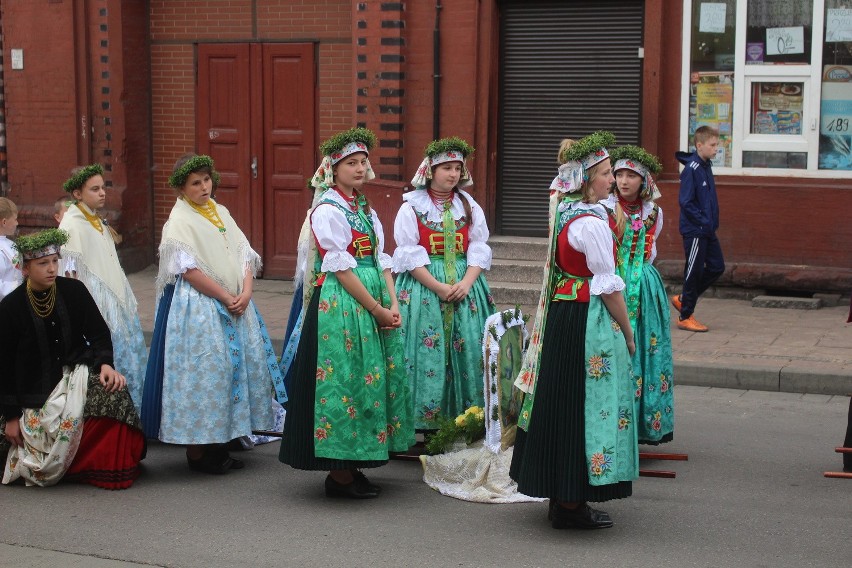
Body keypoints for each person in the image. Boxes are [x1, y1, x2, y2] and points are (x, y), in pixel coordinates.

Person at [509, 131, 638, 530]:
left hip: (565, 318)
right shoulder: (590, 222)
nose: (610, 180)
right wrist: (628, 331)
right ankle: (570, 504)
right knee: (583, 404)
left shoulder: (565, 211)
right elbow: (607, 284)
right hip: (587, 320)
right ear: (584, 178)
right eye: (603, 174)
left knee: (563, 402)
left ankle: (562, 496)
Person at [279, 127, 415, 498]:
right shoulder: (327, 209)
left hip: (371, 298)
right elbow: (339, 267)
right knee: (344, 382)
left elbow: (381, 259)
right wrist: (374, 307)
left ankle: (355, 462)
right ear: (333, 169)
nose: (359, 168)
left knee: (366, 380)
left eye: (362, 162)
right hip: (343, 304)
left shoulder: (363, 207)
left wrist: (392, 302)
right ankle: (339, 473)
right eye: (350, 163)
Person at [141, 154, 283, 474]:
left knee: (233, 372)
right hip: (202, 306)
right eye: (195, 183)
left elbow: (243, 252)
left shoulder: (221, 212)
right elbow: (187, 270)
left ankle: (224, 439)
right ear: (181, 189)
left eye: (206, 179)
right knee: (207, 374)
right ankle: (199, 451)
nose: (203, 186)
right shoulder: (179, 222)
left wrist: (246, 291)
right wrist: (224, 295)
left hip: (235, 302)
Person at [0, 228, 145, 489]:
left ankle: (93, 467)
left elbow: (99, 333)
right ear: (25, 269)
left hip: (75, 373)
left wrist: (105, 364)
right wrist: (11, 416)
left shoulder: (74, 290)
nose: (51, 268)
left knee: (115, 397)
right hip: (30, 389)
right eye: (43, 263)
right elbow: (4, 365)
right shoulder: (10, 307)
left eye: (55, 261)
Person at [392, 137, 495, 430]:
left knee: (468, 350)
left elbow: (479, 245)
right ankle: (424, 423)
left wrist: (466, 282)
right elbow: (408, 253)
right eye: (446, 168)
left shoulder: (469, 205)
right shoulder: (411, 207)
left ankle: (466, 421)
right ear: (430, 170)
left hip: (466, 288)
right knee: (425, 352)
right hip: (424, 288)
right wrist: (437, 287)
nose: (453, 174)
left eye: (457, 168)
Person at [59, 165, 147, 413]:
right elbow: (71, 275)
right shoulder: (72, 225)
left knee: (126, 351)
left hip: (114, 297)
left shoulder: (95, 220)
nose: (102, 193)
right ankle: (111, 413)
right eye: (94, 189)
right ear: (77, 194)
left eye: (103, 187)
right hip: (95, 299)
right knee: (107, 352)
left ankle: (133, 411)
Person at [602, 145, 674, 445]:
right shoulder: (604, 208)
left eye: (631, 175)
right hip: (613, 284)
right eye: (619, 173)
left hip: (644, 288)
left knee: (648, 349)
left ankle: (644, 426)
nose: (624, 180)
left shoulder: (654, 212)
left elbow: (651, 248)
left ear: (644, 180)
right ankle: (612, 425)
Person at [671, 125, 724, 332]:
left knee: (717, 266)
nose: (716, 148)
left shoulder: (705, 165)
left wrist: (710, 223)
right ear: (699, 145)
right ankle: (685, 316)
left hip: (707, 229)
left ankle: (684, 299)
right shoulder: (691, 169)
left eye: (717, 144)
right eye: (712, 145)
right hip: (695, 230)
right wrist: (703, 221)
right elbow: (686, 202)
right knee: (692, 272)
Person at [0, 197, 22, 301]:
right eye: (15, 219)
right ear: (4, 222)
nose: (17, 223)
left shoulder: (10, 244)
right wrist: (23, 289)